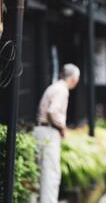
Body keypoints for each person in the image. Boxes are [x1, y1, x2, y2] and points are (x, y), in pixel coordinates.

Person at [33, 64, 80, 203]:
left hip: (41, 130)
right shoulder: (62, 90)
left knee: (42, 173)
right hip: (49, 132)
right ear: (73, 79)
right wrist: (62, 128)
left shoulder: (55, 87)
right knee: (51, 174)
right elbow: (52, 111)